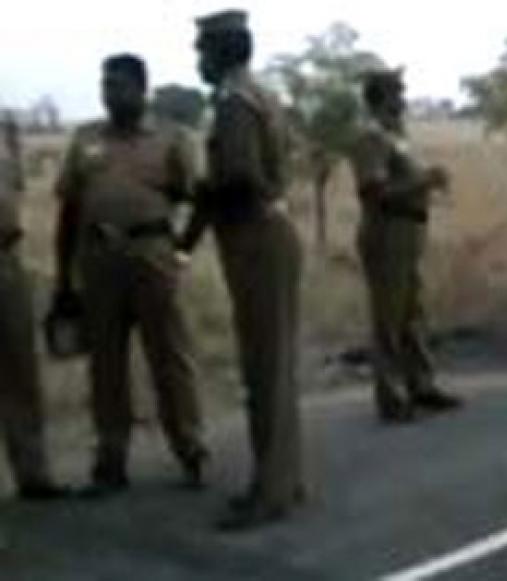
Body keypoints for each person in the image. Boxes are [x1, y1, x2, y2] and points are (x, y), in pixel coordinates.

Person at [53, 54, 208, 498]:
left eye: (119, 85)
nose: (110, 93)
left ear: (141, 89)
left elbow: (197, 197)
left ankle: (191, 449)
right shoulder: (85, 140)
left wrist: (181, 249)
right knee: (105, 364)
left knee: (170, 356)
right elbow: (69, 210)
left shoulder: (170, 138)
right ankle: (110, 460)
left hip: (152, 255)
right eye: (105, 84)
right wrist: (65, 278)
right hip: (98, 259)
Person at [179, 10, 306, 531]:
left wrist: (196, 193)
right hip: (268, 233)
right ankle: (285, 478)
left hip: (255, 236)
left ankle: (270, 491)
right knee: (275, 364)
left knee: (264, 367)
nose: (198, 59)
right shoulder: (261, 93)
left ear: (223, 50)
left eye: (202, 49)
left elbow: (239, 177)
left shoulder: (233, 102)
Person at [350, 69, 462, 424]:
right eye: (397, 92)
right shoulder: (371, 138)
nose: (404, 98)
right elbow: (373, 191)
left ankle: (421, 384)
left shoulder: (396, 136)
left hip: (408, 230)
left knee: (412, 313)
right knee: (389, 317)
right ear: (380, 97)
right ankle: (392, 396)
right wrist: (424, 181)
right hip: (387, 231)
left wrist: (424, 181)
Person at [1, 111, 69, 502]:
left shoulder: (5, 130)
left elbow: (18, 190)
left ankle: (33, 472)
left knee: (20, 369)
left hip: (7, 257)